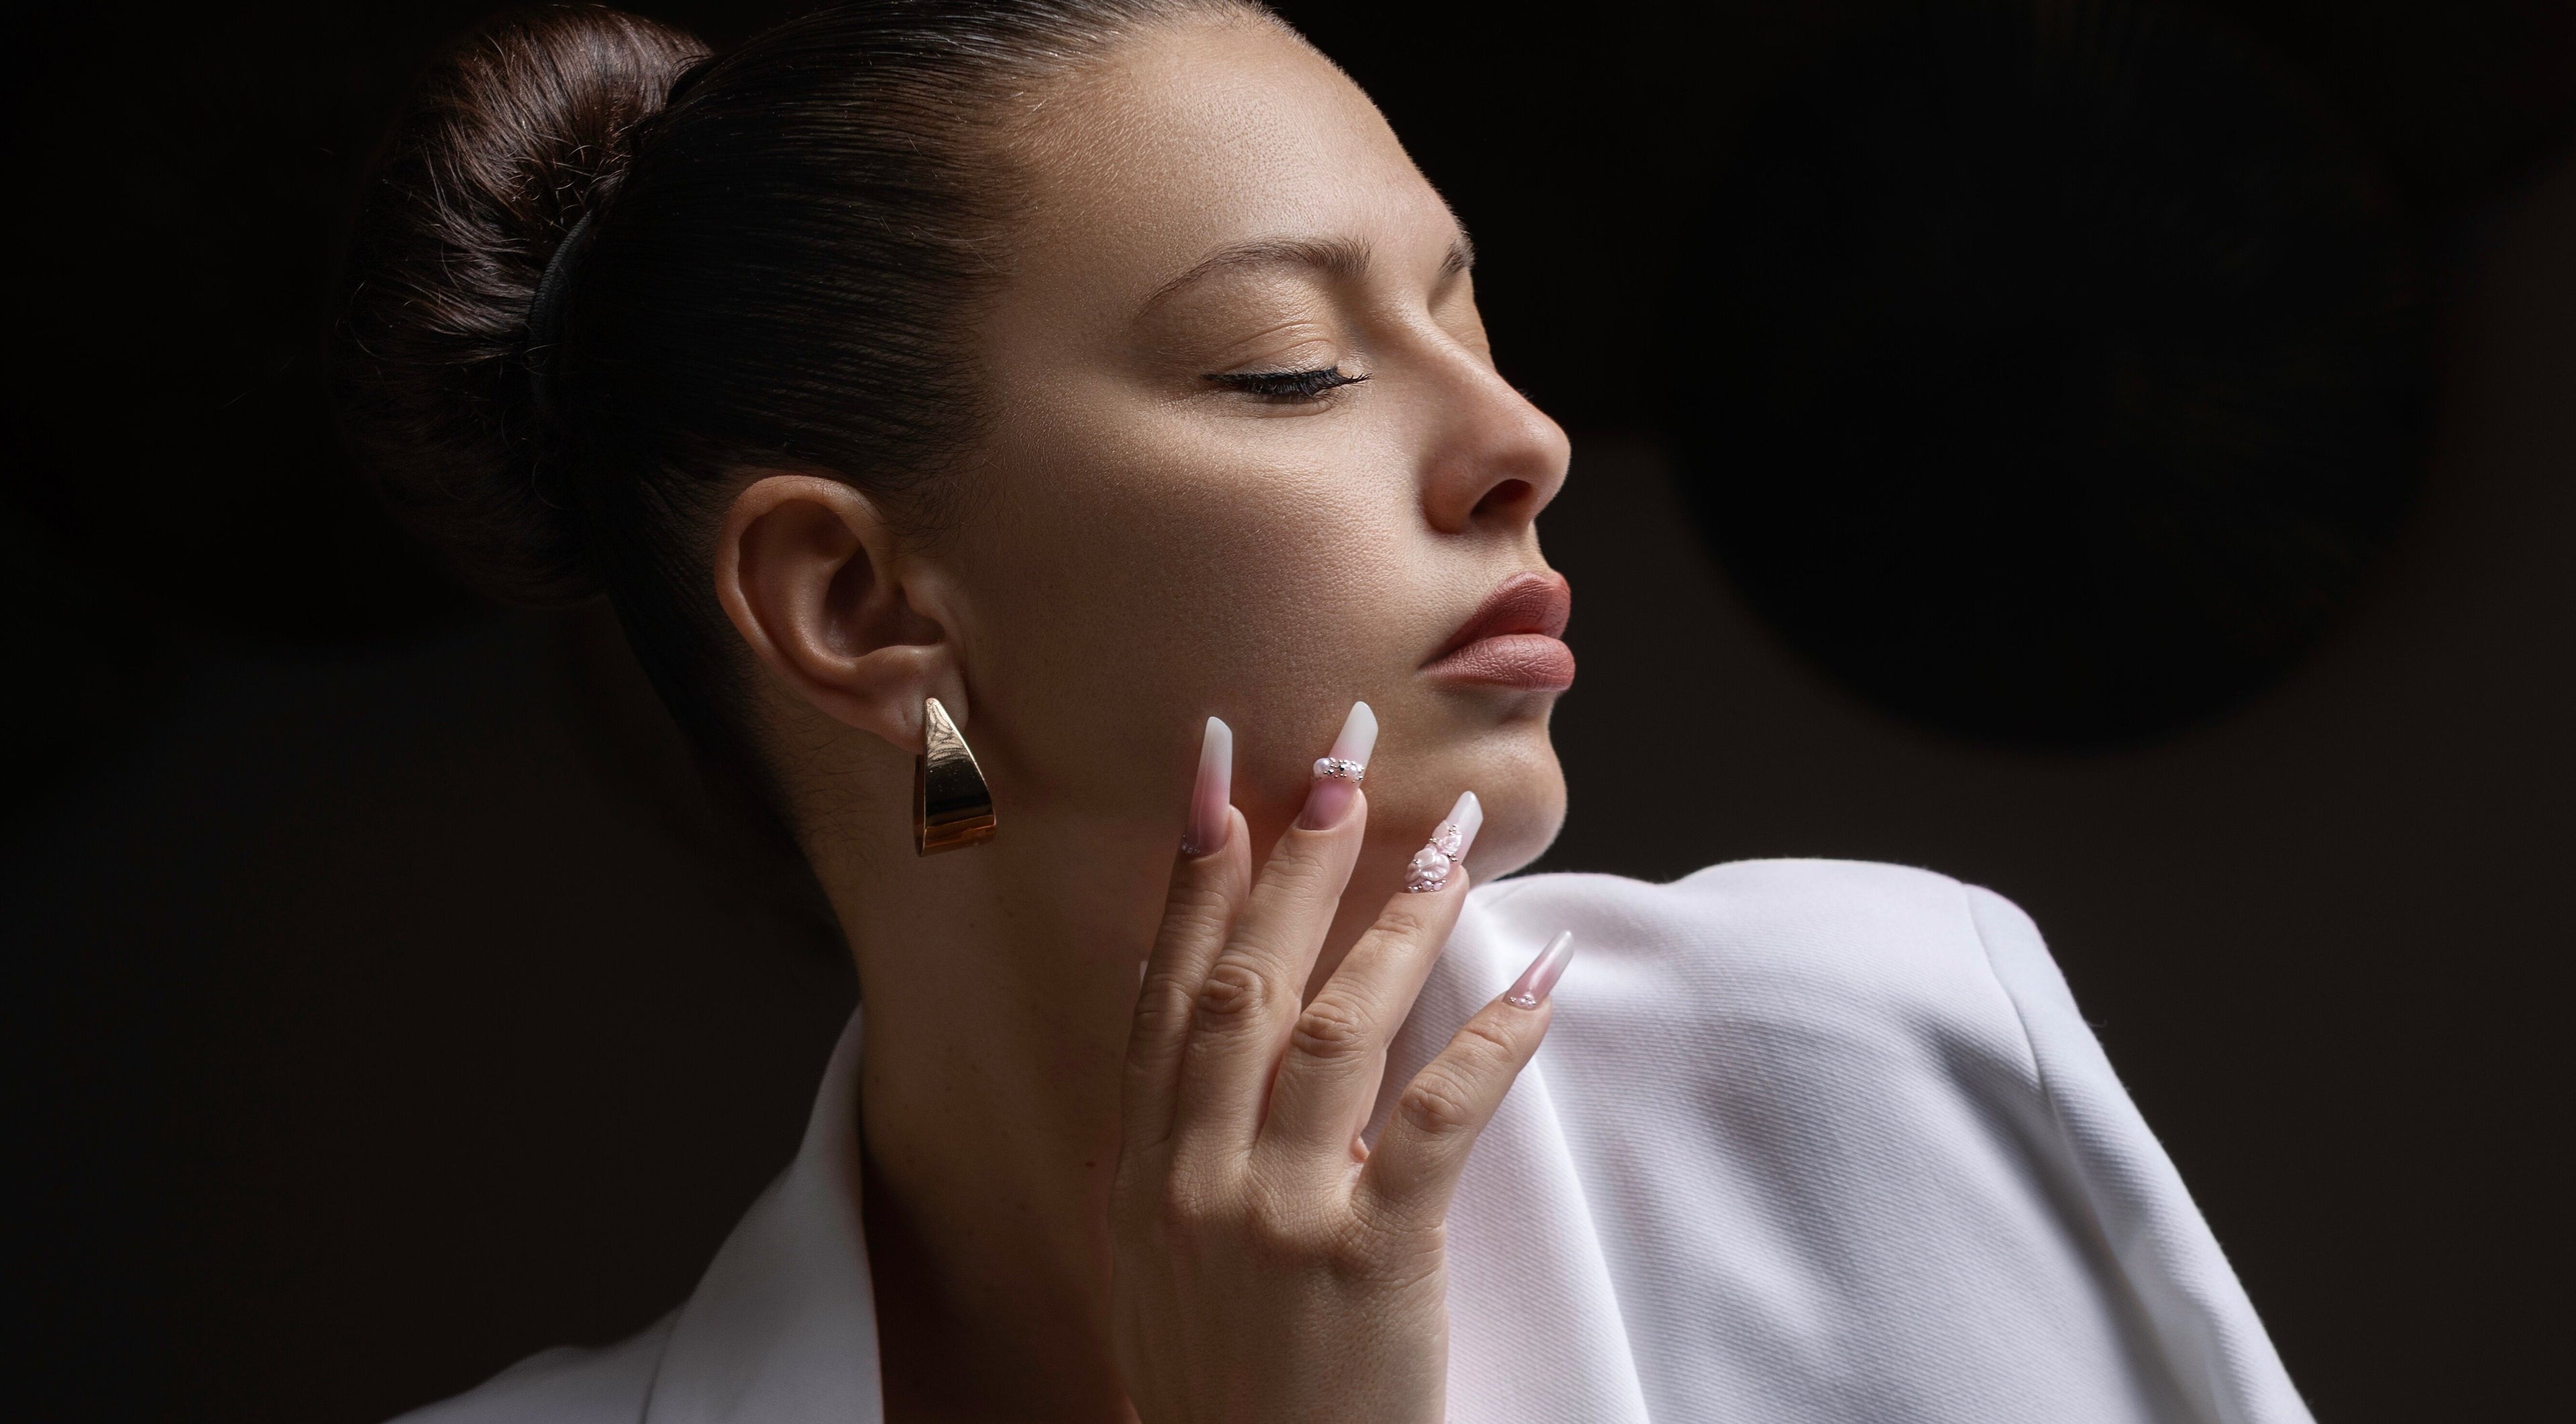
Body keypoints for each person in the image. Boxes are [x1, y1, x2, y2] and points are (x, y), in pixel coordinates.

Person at [336, 2, 2312, 1420]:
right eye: (1291, 365)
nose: (1519, 442)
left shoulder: (1850, 1054)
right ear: (858, 601)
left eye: (1466, 315)